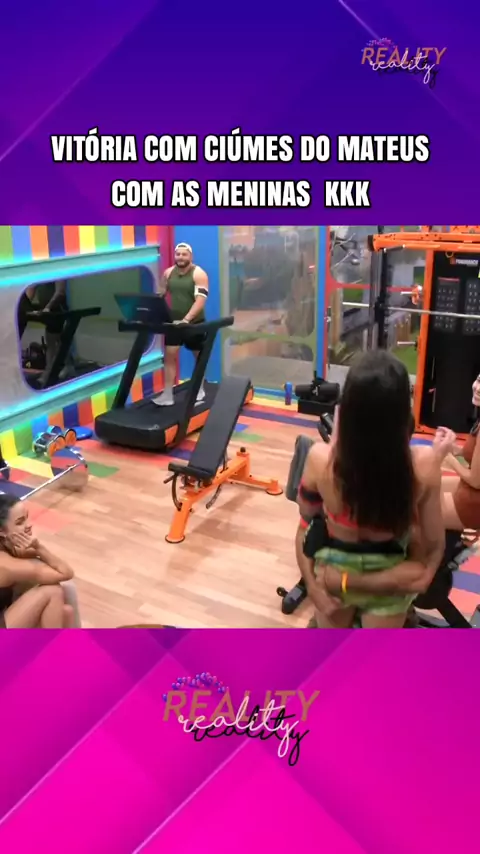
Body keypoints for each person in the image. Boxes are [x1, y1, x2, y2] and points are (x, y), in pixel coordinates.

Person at [297, 350, 445, 628]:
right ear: (403, 414)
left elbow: (304, 529)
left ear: (347, 410)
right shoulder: (424, 466)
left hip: (335, 576)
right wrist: (407, 579)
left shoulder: (319, 460)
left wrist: (327, 585)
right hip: (390, 579)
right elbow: (433, 551)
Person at [0, 494, 75, 628]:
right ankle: (52, 642)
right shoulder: (6, 564)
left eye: (26, 518)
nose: (28, 525)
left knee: (66, 612)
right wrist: (39, 548)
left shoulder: (8, 548)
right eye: (20, 522)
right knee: (52, 591)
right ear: (1, 531)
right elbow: (65, 573)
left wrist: (35, 550)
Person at [153, 243, 209, 407]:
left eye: (184, 254)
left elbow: (200, 300)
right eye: (178, 254)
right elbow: (161, 293)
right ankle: (167, 394)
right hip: (174, 322)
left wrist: (187, 319)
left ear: (190, 256)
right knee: (170, 356)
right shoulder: (168, 273)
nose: (181, 257)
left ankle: (200, 388)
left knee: (198, 357)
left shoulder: (199, 274)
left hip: (194, 323)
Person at [430, 374, 480, 530]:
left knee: (418, 508)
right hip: (468, 489)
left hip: (473, 503)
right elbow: (473, 455)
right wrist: (452, 446)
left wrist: (448, 456)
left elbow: (476, 481)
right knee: (421, 487)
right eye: (478, 380)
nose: (478, 388)